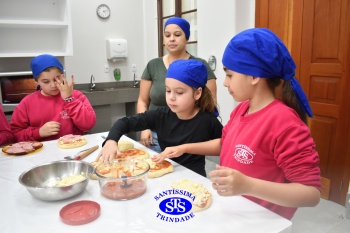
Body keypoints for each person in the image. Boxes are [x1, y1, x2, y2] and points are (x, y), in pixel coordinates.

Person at [153, 28, 321, 219]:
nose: (225, 83)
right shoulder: (241, 110)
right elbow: (226, 144)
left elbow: (311, 193)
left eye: (230, 75)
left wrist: (248, 185)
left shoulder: (284, 123)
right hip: (232, 213)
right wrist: (184, 147)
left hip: (261, 222)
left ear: (254, 76)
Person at [97, 59, 222, 177]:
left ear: (197, 93)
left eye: (179, 92)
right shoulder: (160, 115)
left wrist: (184, 148)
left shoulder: (206, 120)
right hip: (166, 174)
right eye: (168, 91)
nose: (171, 97)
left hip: (195, 178)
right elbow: (124, 123)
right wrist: (111, 141)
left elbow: (224, 145)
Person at [137, 17, 217, 153]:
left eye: (177, 35)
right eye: (167, 35)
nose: (171, 39)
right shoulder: (153, 65)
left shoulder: (199, 66)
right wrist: (145, 127)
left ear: (186, 38)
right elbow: (143, 100)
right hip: (155, 135)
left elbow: (210, 103)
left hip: (188, 135)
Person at [10, 54, 96, 142]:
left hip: (73, 148)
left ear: (63, 75)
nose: (53, 85)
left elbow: (88, 125)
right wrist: (38, 132)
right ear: (37, 81)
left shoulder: (76, 95)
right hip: (43, 153)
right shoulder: (27, 103)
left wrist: (69, 99)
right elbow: (15, 135)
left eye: (56, 79)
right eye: (46, 82)